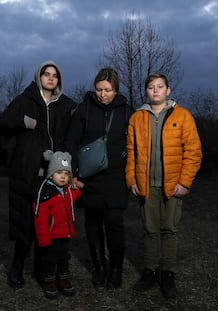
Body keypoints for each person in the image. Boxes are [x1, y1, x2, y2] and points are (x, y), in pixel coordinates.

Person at [0, 60, 77, 289]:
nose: (51, 78)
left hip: (52, 175)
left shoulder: (64, 105)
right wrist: (24, 122)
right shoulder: (25, 100)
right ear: (39, 76)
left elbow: (72, 135)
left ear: (59, 80)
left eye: (55, 75)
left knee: (49, 223)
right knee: (26, 224)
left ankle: (43, 271)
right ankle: (16, 269)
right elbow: (1, 123)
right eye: (46, 74)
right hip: (27, 171)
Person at [125, 73, 202, 299]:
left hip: (172, 186)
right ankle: (151, 270)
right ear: (146, 91)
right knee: (150, 229)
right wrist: (132, 180)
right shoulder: (137, 118)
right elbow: (131, 153)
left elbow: (193, 152)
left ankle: (168, 273)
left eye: (160, 87)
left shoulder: (183, 116)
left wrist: (185, 182)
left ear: (168, 90)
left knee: (169, 230)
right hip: (146, 185)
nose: (155, 90)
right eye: (151, 87)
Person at [65, 68, 134, 289]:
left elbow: (135, 144)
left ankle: (115, 270)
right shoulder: (84, 109)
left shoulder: (126, 111)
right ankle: (99, 267)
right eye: (98, 89)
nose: (102, 94)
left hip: (116, 177)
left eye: (107, 90)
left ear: (116, 89)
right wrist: (73, 173)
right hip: (89, 177)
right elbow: (71, 142)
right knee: (93, 223)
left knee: (114, 223)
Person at [33, 150, 83, 299]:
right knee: (49, 259)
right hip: (51, 235)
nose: (63, 176)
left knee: (63, 257)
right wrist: (44, 239)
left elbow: (68, 202)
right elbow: (40, 219)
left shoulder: (66, 190)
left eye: (67, 174)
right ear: (51, 173)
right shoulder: (44, 192)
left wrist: (78, 188)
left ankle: (64, 279)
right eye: (59, 172)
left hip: (64, 233)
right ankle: (49, 281)